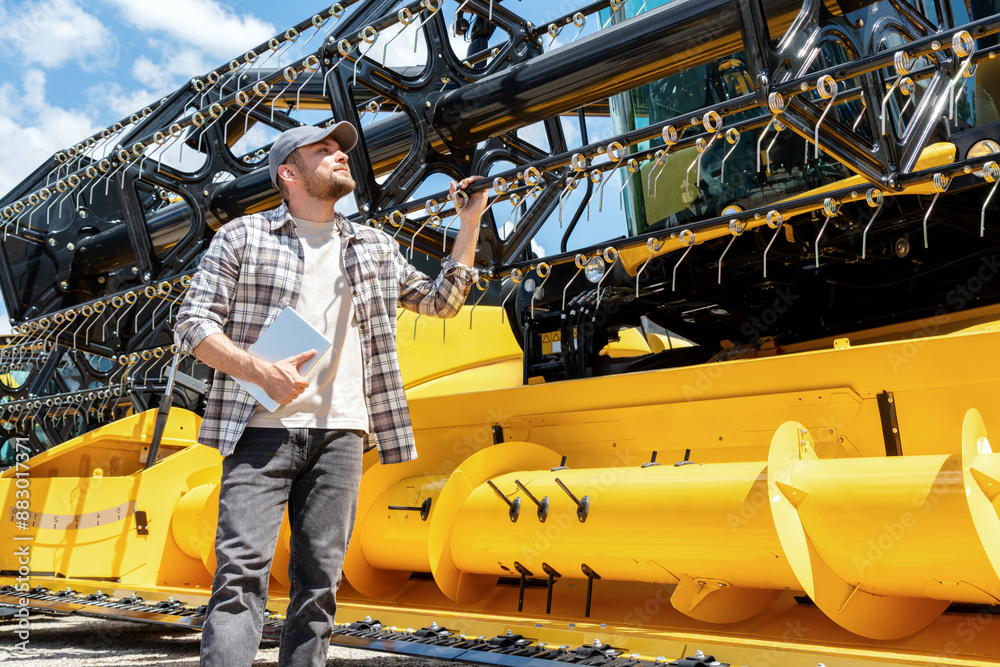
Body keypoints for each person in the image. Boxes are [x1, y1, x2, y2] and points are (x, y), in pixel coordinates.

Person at [174, 122, 486, 666]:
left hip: (341, 435)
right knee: (240, 575)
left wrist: (469, 221)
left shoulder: (374, 246)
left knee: (320, 582)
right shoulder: (243, 237)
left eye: (341, 149)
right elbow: (191, 324)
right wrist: (257, 369)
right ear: (288, 174)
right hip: (259, 432)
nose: (340, 155)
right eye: (324, 150)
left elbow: (441, 303)